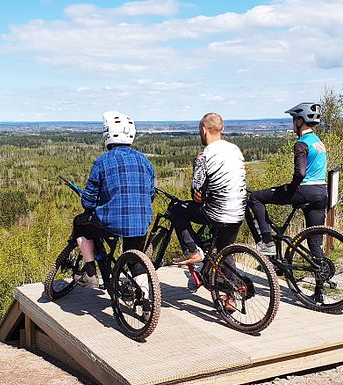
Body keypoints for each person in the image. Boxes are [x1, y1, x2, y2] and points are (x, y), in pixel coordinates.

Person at [73, 111, 155, 288]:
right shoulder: (145, 161)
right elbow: (151, 195)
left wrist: (96, 205)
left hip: (110, 224)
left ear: (107, 135)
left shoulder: (102, 162)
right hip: (141, 223)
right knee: (135, 259)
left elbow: (88, 201)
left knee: (80, 224)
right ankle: (147, 301)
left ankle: (90, 272)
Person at [247, 102, 328, 256]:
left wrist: (291, 189)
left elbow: (300, 173)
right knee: (315, 239)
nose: (292, 124)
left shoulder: (301, 144)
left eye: (294, 120)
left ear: (300, 121)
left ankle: (267, 242)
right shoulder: (319, 142)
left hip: (305, 190)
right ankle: (321, 272)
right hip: (321, 192)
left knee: (255, 198)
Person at [168, 113, 247, 269]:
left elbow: (197, 196)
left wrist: (195, 166)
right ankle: (233, 288)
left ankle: (192, 250)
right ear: (221, 129)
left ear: (204, 130)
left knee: (175, 209)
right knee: (224, 251)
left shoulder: (204, 155)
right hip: (238, 211)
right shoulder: (235, 149)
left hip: (216, 213)